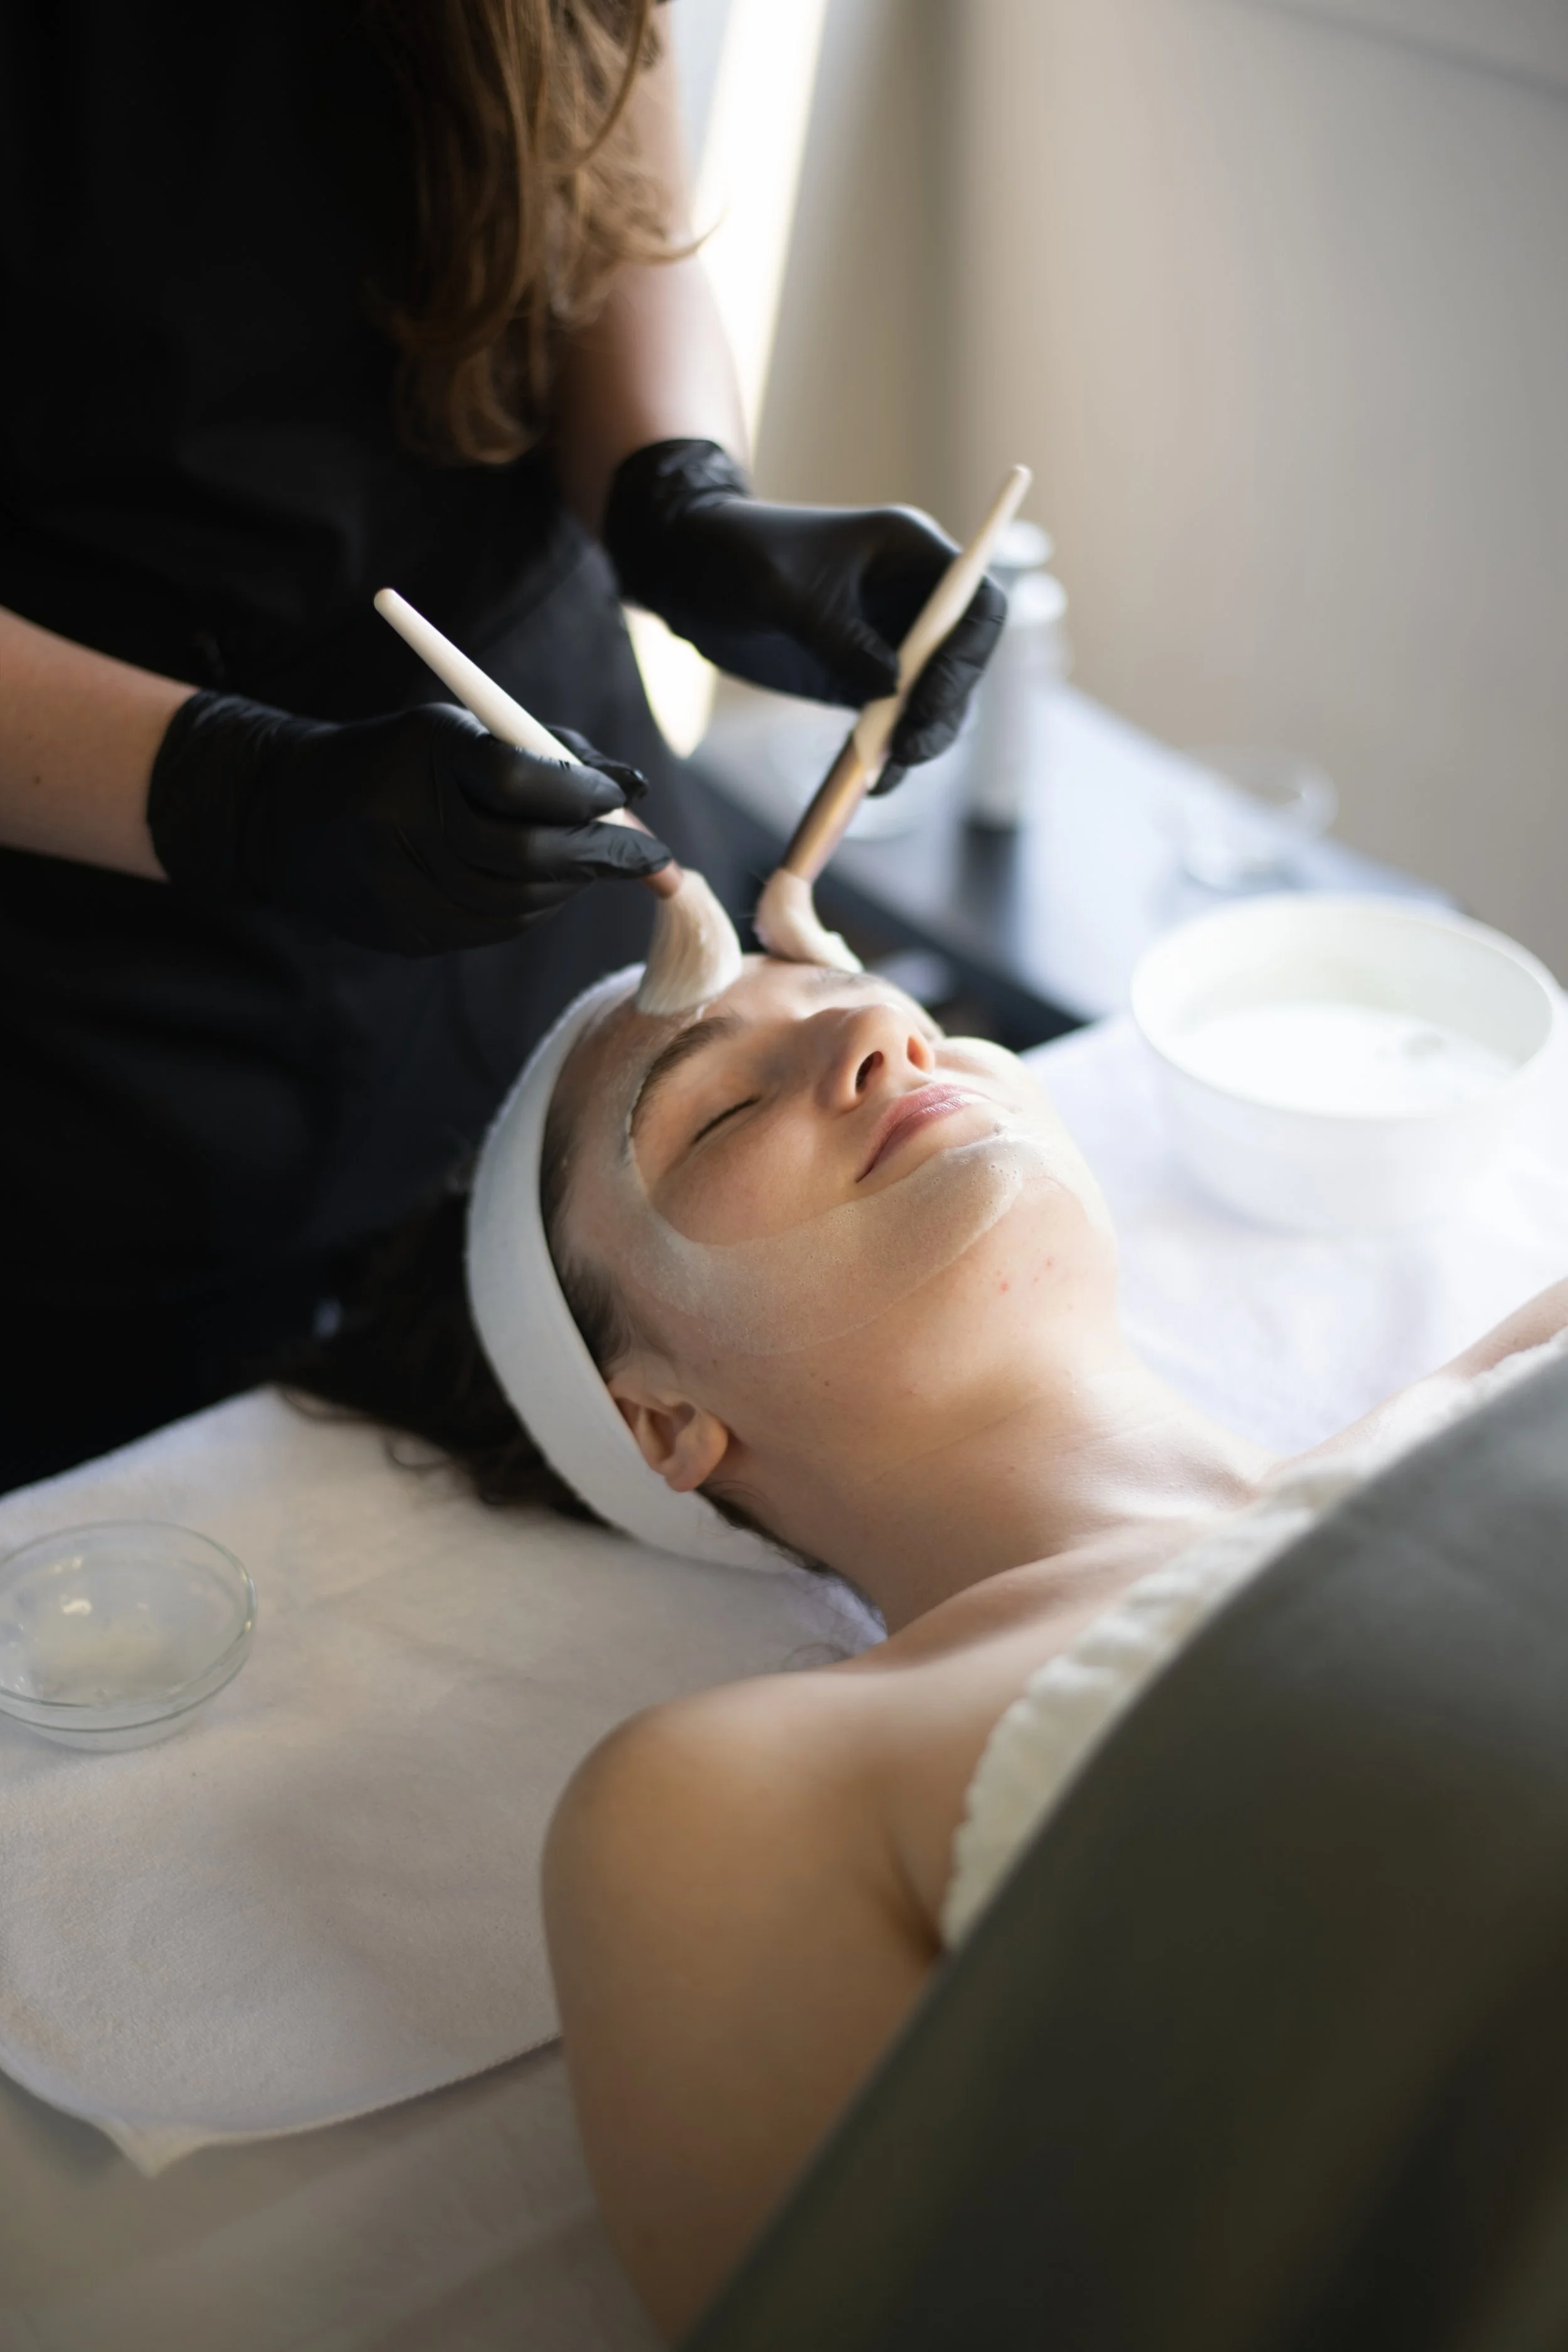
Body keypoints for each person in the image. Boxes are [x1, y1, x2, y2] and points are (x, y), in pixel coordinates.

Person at [335, 951, 1568, 2340]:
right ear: (659, 1421)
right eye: (724, 1113)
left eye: (893, 1005)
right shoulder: (740, 1804)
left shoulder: (1533, 1351)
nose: (878, 1029)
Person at [0, 0, 1002, 1490]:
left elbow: (598, 173)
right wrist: (233, 792)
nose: (870, 1035)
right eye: (716, 1105)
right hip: (87, 1003)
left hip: (542, 809)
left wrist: (679, 498)